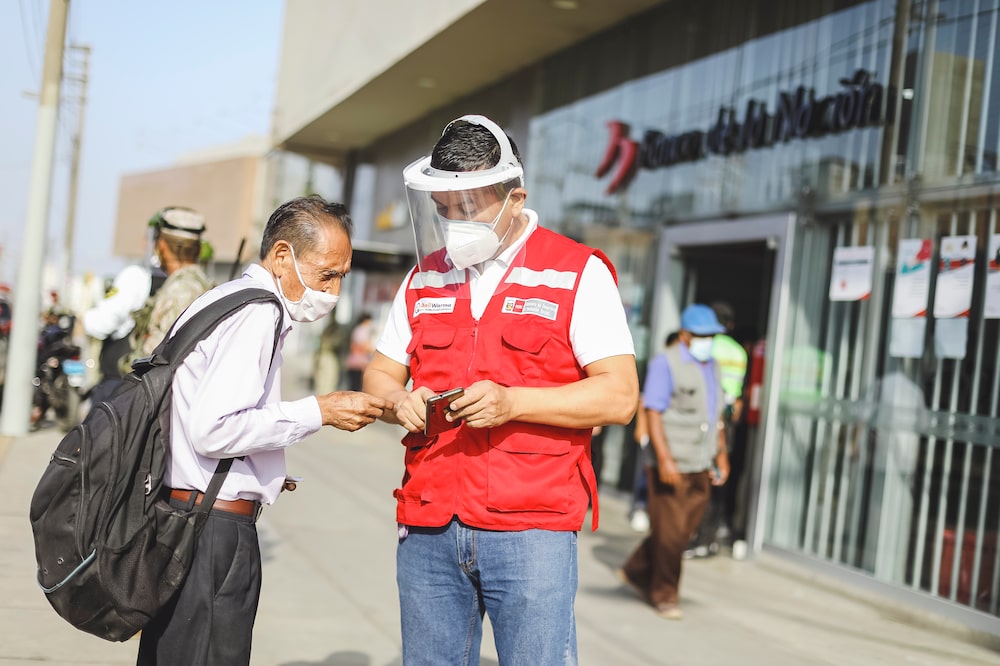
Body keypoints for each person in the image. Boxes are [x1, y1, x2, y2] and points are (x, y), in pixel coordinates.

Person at [363, 114, 638, 664]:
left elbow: (619, 396)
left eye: (469, 208)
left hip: (530, 527)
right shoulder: (425, 277)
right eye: (444, 210)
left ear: (516, 198)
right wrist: (398, 401)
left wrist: (514, 402)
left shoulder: (576, 272)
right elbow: (380, 373)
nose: (454, 223)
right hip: (430, 519)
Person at [136, 196, 392, 666]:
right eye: (326, 275)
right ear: (281, 256)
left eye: (341, 277)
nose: (332, 291)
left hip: (183, 519)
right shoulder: (258, 312)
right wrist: (320, 411)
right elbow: (213, 431)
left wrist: (265, 466)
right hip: (211, 533)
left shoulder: (223, 298)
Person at [618, 303, 730, 620]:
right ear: (685, 335)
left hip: (701, 461)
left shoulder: (714, 367)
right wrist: (664, 459)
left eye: (712, 335)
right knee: (669, 535)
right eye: (702, 335)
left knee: (682, 532)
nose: (708, 340)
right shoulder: (665, 364)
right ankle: (665, 593)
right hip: (670, 462)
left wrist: (721, 451)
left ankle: (637, 568)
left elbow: (716, 413)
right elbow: (653, 411)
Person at [687, 301, 748, 557]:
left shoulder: (709, 348)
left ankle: (696, 535)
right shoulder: (739, 353)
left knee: (698, 477)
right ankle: (709, 537)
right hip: (728, 419)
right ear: (731, 325)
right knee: (719, 476)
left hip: (705, 417)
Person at [122, 207, 214, 373]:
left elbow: (155, 360)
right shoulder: (201, 285)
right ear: (198, 249)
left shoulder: (180, 291)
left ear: (162, 245)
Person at [628, 330, 680, 533]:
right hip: (653, 430)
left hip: (670, 435)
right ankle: (640, 507)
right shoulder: (661, 365)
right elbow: (645, 401)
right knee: (646, 471)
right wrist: (642, 427)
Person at [81, 264, 152, 406]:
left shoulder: (133, 276)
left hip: (117, 379)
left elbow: (106, 320)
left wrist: (84, 319)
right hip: (124, 378)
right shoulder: (145, 278)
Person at [313, 314, 347, 394]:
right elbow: (337, 344)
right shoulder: (333, 334)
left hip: (325, 356)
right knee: (327, 380)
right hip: (329, 357)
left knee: (323, 380)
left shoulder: (326, 332)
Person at [344, 311, 375, 391]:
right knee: (356, 388)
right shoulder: (362, 330)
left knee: (354, 387)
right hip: (358, 364)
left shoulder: (358, 330)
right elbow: (363, 346)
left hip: (356, 363)